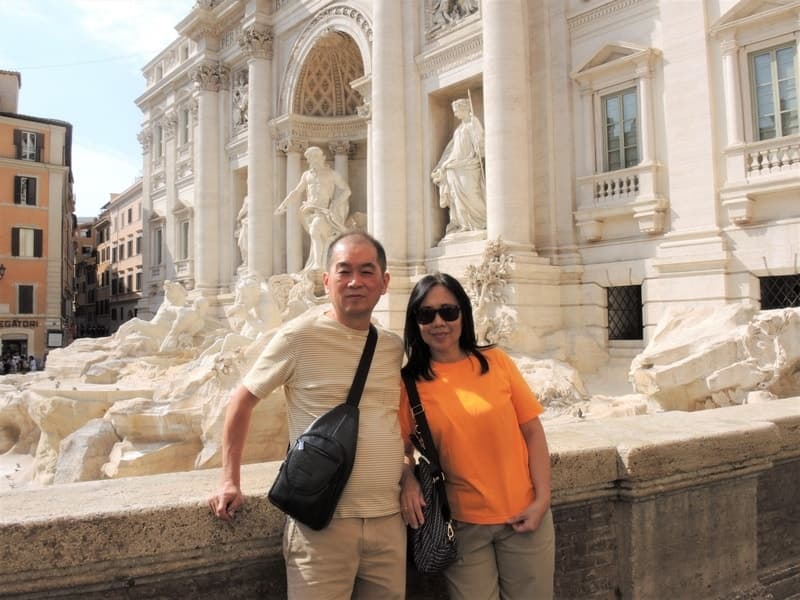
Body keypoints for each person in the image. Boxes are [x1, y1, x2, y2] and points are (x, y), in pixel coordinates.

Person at [209, 231, 407, 599]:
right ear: (326, 280)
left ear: (384, 282)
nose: (355, 282)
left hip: (388, 521)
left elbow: (396, 420)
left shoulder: (392, 347)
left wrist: (409, 472)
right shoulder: (296, 337)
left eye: (367, 271)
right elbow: (241, 401)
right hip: (321, 526)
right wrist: (228, 480)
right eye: (344, 271)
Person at [399, 272, 554, 599]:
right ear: (416, 322)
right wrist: (408, 480)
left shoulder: (497, 361)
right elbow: (401, 449)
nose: (439, 322)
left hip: (525, 515)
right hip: (462, 524)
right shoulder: (408, 384)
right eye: (426, 314)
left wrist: (542, 501)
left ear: (463, 314)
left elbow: (533, 433)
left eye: (448, 311)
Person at [275, 146, 351, 272]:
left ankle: (317, 264)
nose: (311, 160)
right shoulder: (306, 175)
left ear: (322, 158)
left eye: (314, 157)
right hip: (309, 211)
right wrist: (284, 204)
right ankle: (318, 262)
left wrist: (337, 203)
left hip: (324, 210)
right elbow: (297, 191)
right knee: (316, 235)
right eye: (309, 158)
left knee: (315, 231)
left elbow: (347, 190)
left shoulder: (331, 174)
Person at [431, 98, 487, 235]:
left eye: (457, 111)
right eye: (454, 112)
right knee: (456, 197)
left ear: (465, 109)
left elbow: (480, 141)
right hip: (455, 166)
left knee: (471, 193)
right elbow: (452, 149)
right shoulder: (459, 128)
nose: (455, 114)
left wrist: (480, 147)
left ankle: (481, 221)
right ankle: (464, 225)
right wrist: (443, 165)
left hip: (469, 165)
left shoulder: (473, 123)